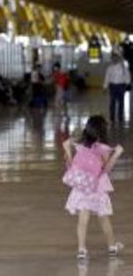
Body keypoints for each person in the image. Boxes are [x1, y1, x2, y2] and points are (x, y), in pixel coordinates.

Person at [63, 115, 124, 259]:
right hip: (97, 188)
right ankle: (112, 247)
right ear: (103, 131)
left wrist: (67, 149)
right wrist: (116, 155)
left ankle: (82, 250)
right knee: (104, 219)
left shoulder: (81, 145)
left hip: (82, 188)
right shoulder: (103, 148)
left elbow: (73, 167)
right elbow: (105, 170)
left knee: (83, 221)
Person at [103, 52, 131, 123]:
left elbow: (127, 76)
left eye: (116, 58)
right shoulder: (110, 68)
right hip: (112, 86)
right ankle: (112, 118)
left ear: (118, 59)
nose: (114, 59)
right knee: (112, 102)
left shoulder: (123, 67)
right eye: (113, 58)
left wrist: (127, 83)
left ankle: (120, 118)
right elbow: (107, 77)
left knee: (121, 102)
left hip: (121, 86)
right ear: (112, 59)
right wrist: (105, 87)